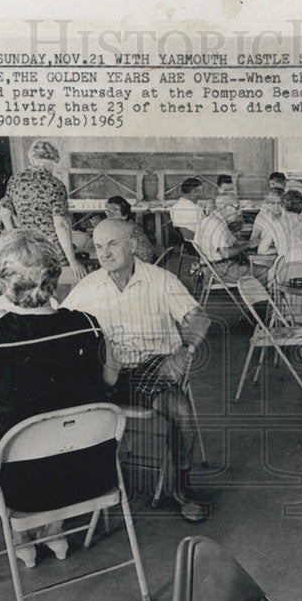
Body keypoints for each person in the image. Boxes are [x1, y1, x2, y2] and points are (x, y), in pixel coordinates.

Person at [0, 231, 115, 568]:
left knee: (3, 441)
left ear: (4, 282)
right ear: (55, 276)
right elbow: (106, 378)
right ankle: (55, 529)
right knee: (61, 424)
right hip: (90, 475)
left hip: (19, 485)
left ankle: (21, 537)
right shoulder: (88, 325)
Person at [61, 218, 212, 522]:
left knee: (180, 411)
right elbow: (61, 327)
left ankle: (182, 487)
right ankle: (76, 489)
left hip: (151, 365)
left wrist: (185, 352)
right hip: (104, 371)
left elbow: (199, 318)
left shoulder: (161, 280)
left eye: (112, 244)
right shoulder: (88, 287)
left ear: (131, 245)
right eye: (99, 246)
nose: (104, 253)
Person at [0, 139, 85, 284]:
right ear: (54, 161)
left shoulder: (15, 180)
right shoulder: (55, 185)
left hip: (27, 250)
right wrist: (72, 260)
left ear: (31, 158)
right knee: (63, 290)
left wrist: (17, 236)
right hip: (51, 252)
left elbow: (4, 213)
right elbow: (61, 225)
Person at [194, 194, 264, 283]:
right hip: (221, 270)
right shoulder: (216, 224)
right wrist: (248, 245)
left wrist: (251, 242)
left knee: (255, 266)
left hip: (212, 267)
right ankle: (260, 296)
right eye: (237, 207)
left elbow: (234, 241)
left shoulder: (214, 220)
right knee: (266, 272)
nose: (239, 212)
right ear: (227, 207)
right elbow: (226, 253)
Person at [258, 189, 302, 261]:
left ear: (282, 207)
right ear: (301, 207)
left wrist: (278, 250)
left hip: (286, 269)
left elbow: (261, 251)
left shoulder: (276, 224)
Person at [105, 195, 154, 262]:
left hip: (140, 264)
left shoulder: (127, 227)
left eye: (114, 210)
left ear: (124, 214)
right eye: (108, 210)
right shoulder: (123, 225)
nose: (110, 214)